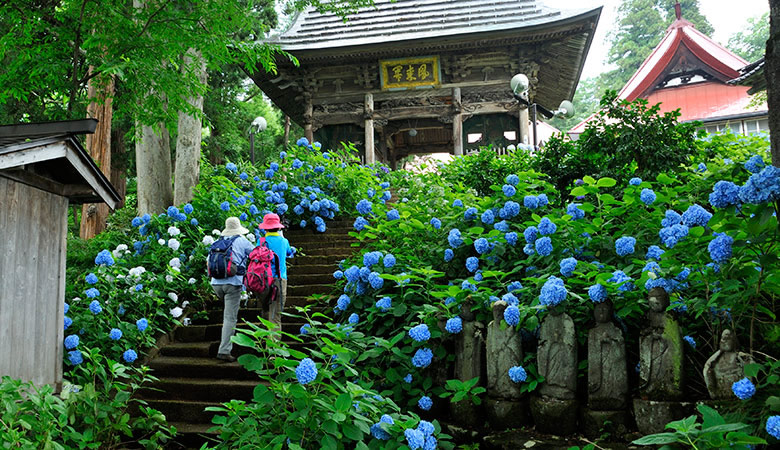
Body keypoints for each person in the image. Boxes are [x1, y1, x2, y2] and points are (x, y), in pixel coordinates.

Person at [211, 217, 254, 362]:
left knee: (227, 311)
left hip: (216, 283)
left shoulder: (216, 242)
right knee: (229, 318)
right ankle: (224, 351)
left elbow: (208, 262)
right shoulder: (242, 241)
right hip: (233, 283)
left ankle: (224, 345)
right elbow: (254, 254)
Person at [256, 213, 293, 331]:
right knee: (275, 315)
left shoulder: (260, 241)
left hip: (263, 280)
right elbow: (289, 253)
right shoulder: (284, 241)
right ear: (278, 227)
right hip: (279, 279)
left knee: (265, 311)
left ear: (265, 227)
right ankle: (273, 346)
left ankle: (263, 340)